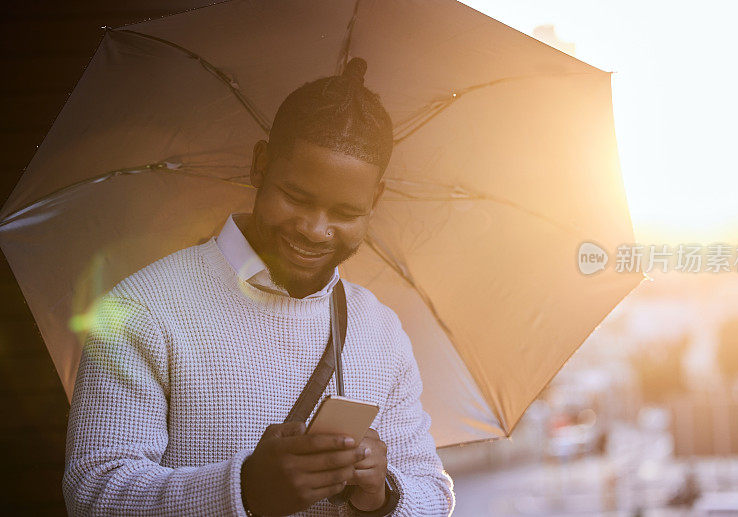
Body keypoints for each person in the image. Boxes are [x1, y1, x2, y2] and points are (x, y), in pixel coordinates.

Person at [62, 58, 455, 516]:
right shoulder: (144, 309)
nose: (315, 229)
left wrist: (385, 494)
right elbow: (93, 492)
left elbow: (433, 493)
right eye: (297, 197)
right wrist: (245, 491)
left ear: (376, 200)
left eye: (346, 213)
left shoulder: (381, 331)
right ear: (259, 164)